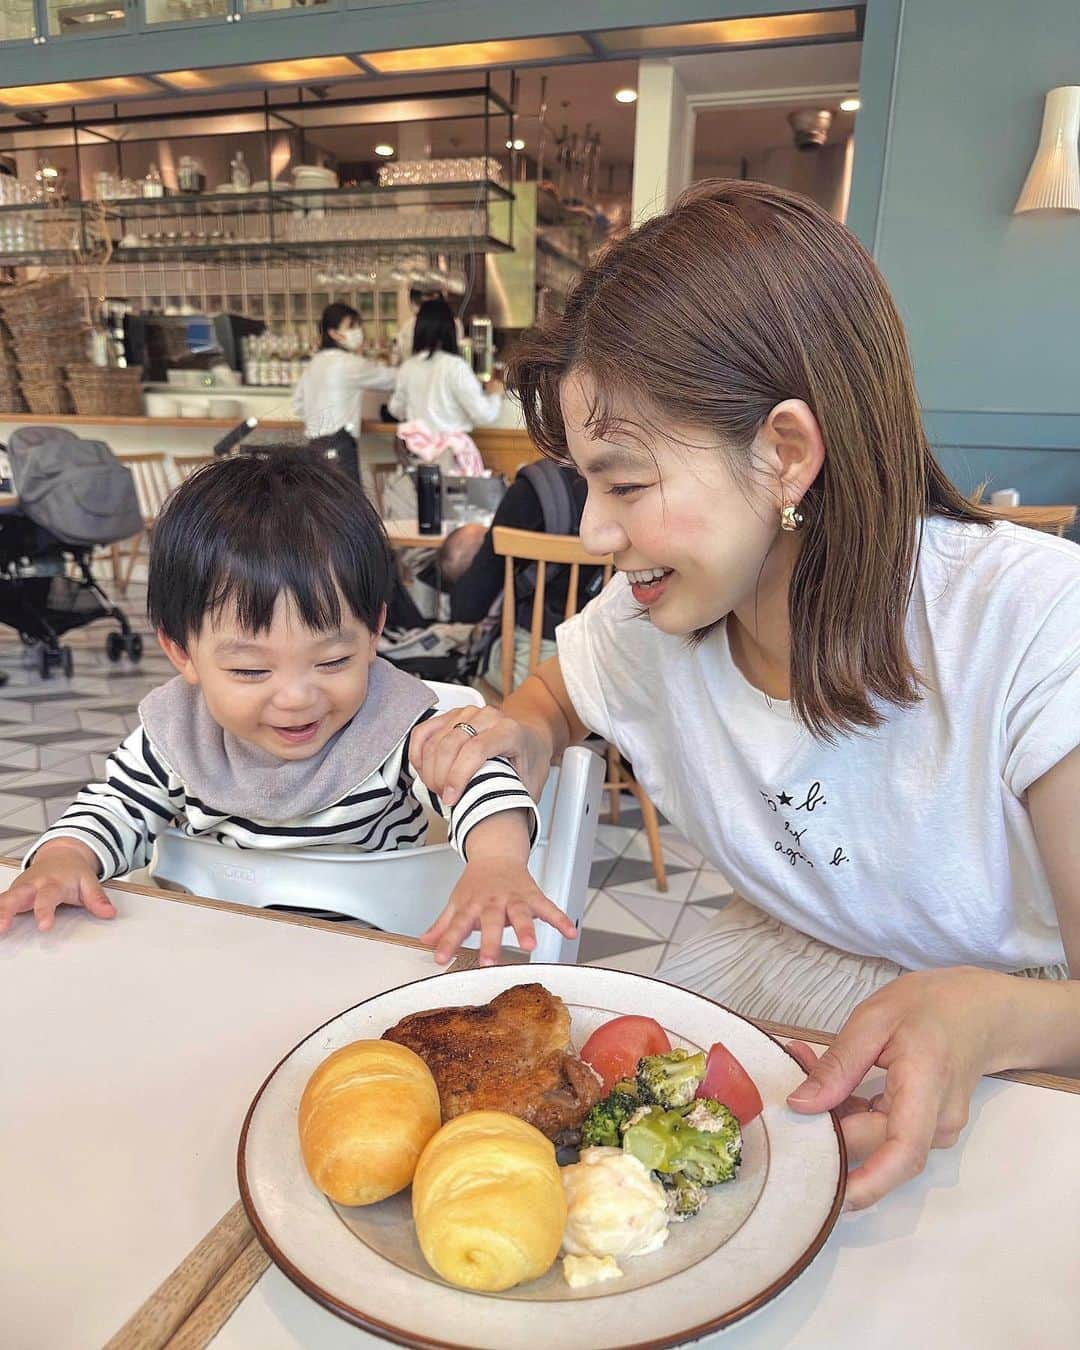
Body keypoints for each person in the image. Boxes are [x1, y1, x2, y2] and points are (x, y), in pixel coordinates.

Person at [409, 180, 1080, 1211]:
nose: (594, 532)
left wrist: (986, 1016)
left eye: (627, 485)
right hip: (775, 990)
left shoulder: (1026, 621)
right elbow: (553, 697)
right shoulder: (651, 623)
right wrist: (524, 733)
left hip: (1019, 1051)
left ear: (785, 453)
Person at [0, 453, 573, 960]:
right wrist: (65, 857)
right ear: (182, 651)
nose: (297, 697)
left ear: (374, 632)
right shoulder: (176, 737)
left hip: (360, 970)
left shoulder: (395, 727)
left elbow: (478, 777)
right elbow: (115, 807)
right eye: (250, 670)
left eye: (331, 662)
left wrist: (496, 862)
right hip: (210, 963)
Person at [448, 461, 605, 692]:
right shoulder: (635, 484)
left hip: (532, 667)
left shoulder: (534, 489)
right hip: (614, 666)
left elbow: (468, 607)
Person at [388, 299, 502, 480]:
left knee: (421, 505)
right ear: (451, 330)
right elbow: (483, 414)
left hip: (417, 457)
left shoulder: (408, 367)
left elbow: (395, 408)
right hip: (451, 458)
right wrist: (495, 394)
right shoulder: (456, 367)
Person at [293, 302, 396, 443]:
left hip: (314, 444)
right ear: (333, 333)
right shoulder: (350, 363)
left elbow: (298, 404)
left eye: (358, 326)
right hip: (340, 444)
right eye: (351, 327)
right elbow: (393, 379)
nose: (358, 331)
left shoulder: (314, 362)